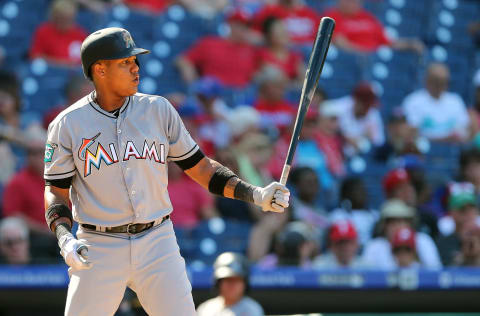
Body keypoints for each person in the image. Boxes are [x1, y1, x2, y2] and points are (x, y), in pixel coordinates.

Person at [43, 27, 290, 315]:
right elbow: (55, 191)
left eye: (135, 61)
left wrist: (256, 194)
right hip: (99, 244)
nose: (136, 68)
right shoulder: (68, 124)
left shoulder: (158, 110)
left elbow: (202, 169)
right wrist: (64, 237)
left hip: (157, 240)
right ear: (100, 69)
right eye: (126, 62)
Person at [176, 10, 257, 88]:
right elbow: (183, 60)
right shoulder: (211, 43)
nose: (243, 30)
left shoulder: (252, 50)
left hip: (240, 95)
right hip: (212, 94)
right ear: (231, 25)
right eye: (239, 25)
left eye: (247, 27)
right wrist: (194, 83)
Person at [362, 199, 442, 269]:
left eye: (402, 221)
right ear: (384, 226)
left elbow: (435, 271)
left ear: (409, 223)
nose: (398, 226)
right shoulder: (374, 246)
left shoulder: (423, 240)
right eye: (392, 222)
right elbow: (367, 276)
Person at [321, 0, 423, 53]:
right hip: (352, 59)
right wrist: (366, 53)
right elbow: (339, 42)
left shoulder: (368, 18)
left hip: (372, 57)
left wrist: (409, 44)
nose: (351, 3)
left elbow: (388, 42)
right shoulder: (332, 16)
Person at [401, 63, 470, 142]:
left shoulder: (455, 101)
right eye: (436, 80)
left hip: (450, 149)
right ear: (426, 80)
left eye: (443, 81)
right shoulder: (413, 101)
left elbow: (464, 131)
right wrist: (444, 138)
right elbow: (411, 133)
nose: (439, 85)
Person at [197, 252, 264, 316]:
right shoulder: (206, 309)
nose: (232, 285)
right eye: (228, 280)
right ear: (219, 283)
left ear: (244, 283)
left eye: (236, 280)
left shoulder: (252, 309)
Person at [29, 0, 87, 66]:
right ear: (54, 17)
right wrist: (62, 64)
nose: (64, 22)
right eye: (61, 18)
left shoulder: (80, 34)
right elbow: (35, 57)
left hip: (73, 74)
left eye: (68, 19)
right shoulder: (43, 31)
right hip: (49, 72)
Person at [333, 82, 385, 154]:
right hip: (338, 152)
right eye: (365, 105)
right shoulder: (339, 108)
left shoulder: (373, 113)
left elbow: (379, 143)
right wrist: (343, 137)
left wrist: (368, 138)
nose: (368, 109)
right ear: (356, 100)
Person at [436, 182, 480, 266]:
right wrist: (465, 255)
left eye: (471, 209)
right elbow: (446, 273)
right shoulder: (444, 242)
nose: (468, 214)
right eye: (463, 210)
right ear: (452, 213)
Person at [329, 177, 379, 247]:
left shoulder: (374, 215)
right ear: (346, 193)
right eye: (357, 190)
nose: (362, 193)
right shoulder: (338, 214)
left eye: (363, 190)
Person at [256, 17, 305, 84]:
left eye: (284, 30)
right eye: (278, 31)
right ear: (268, 35)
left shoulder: (294, 56)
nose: (284, 34)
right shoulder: (262, 54)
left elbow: (304, 79)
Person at [253, 0, 320, 45]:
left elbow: (319, 37)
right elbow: (255, 35)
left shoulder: (310, 13)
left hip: (311, 48)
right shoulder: (270, 11)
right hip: (286, 51)